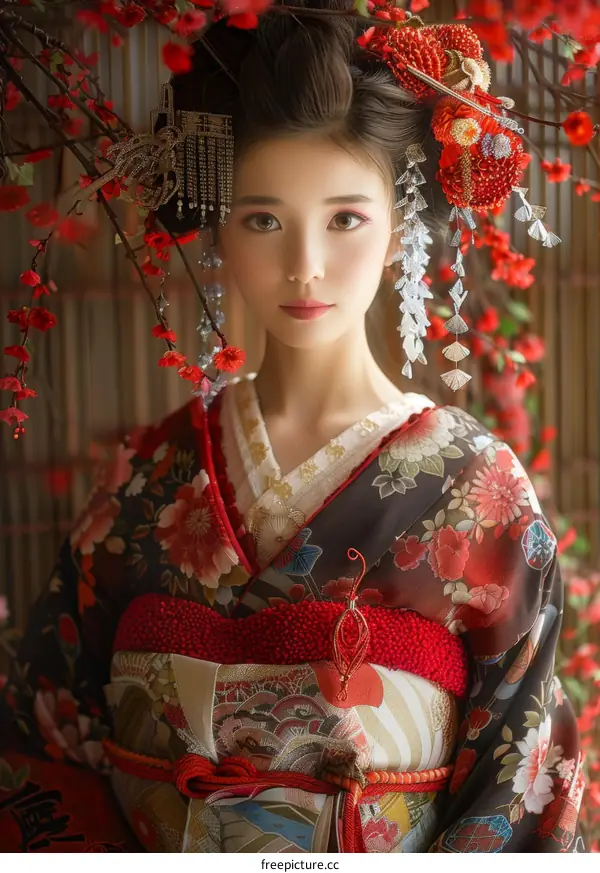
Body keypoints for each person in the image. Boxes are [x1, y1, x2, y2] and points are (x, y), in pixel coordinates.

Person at [0, 1, 584, 853]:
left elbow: (522, 781)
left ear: (396, 229)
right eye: (262, 218)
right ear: (219, 227)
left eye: (345, 218)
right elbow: (46, 741)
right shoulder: (142, 477)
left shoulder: (476, 491)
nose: (304, 263)